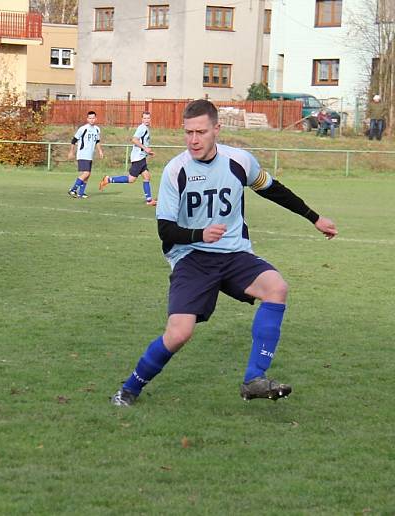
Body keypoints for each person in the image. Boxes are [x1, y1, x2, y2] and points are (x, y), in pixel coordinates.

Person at [110, 99, 337, 408]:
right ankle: (129, 389)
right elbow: (165, 230)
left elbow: (273, 189)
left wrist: (315, 217)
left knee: (277, 288)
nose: (193, 140)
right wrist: (199, 235)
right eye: (188, 132)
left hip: (234, 254)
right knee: (179, 333)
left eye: (201, 132)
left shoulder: (239, 161)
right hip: (191, 258)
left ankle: (254, 379)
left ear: (216, 129)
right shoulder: (176, 170)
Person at [99, 111, 157, 205]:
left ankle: (149, 200)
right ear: (142, 119)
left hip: (141, 158)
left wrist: (148, 152)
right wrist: (145, 148)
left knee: (147, 176)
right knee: (131, 179)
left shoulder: (145, 128)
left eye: (148, 118)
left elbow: (142, 143)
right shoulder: (142, 128)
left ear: (150, 119)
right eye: (145, 118)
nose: (147, 120)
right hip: (138, 158)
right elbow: (134, 139)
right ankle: (108, 179)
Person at [67, 111, 103, 199]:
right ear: (87, 119)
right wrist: (71, 152)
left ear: (96, 119)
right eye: (90, 118)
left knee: (88, 174)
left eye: (93, 118)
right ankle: (73, 189)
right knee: (86, 173)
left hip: (90, 155)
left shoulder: (97, 129)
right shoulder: (83, 129)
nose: (92, 120)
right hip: (82, 154)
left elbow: (97, 141)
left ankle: (81, 193)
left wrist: (100, 151)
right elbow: (74, 140)